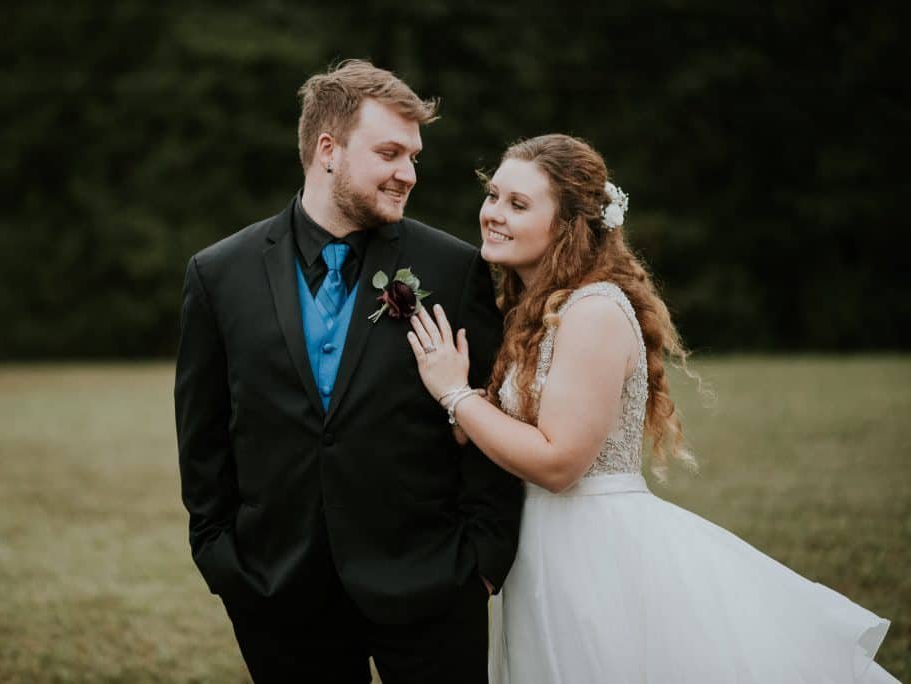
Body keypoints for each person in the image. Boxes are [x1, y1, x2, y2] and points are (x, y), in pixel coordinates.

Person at [406, 133, 900, 683]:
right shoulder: (528, 309)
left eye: (519, 205)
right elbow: (504, 431)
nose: (494, 214)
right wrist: (462, 413)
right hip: (544, 550)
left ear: (568, 224)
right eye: (494, 195)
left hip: (597, 556)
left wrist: (456, 395)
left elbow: (560, 463)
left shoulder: (590, 312)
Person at [173, 59, 523, 684]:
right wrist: (220, 557)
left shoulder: (453, 267)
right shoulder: (218, 274)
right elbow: (202, 435)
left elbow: (491, 411)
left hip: (432, 586)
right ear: (328, 149)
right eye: (390, 153)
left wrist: (484, 560)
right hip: (278, 591)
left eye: (414, 157)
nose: (408, 174)